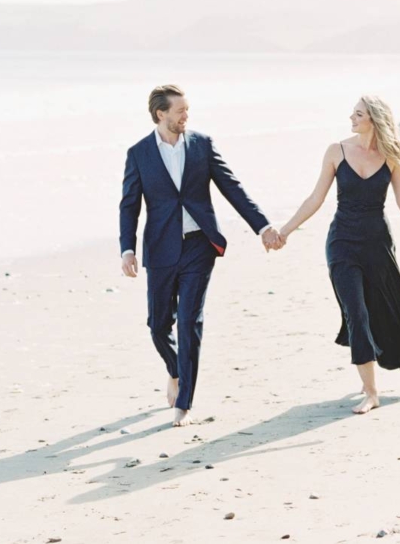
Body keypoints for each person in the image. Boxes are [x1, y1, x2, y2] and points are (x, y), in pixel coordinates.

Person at [119, 84, 280, 426]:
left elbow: (231, 187)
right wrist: (127, 248)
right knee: (158, 325)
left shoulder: (202, 145)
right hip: (161, 248)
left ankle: (184, 404)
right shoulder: (139, 153)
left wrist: (262, 226)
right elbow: (129, 204)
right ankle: (176, 370)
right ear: (161, 114)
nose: (186, 116)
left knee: (190, 321)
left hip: (198, 246)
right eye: (180, 111)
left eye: (187, 110)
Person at [276, 95, 400, 414]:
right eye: (352, 112)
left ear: (374, 119)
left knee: (377, 309)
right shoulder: (336, 151)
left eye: (358, 114)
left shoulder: (390, 157)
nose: (351, 117)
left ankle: (371, 374)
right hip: (342, 243)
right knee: (357, 313)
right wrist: (285, 230)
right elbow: (315, 198)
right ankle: (372, 392)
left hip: (377, 244)